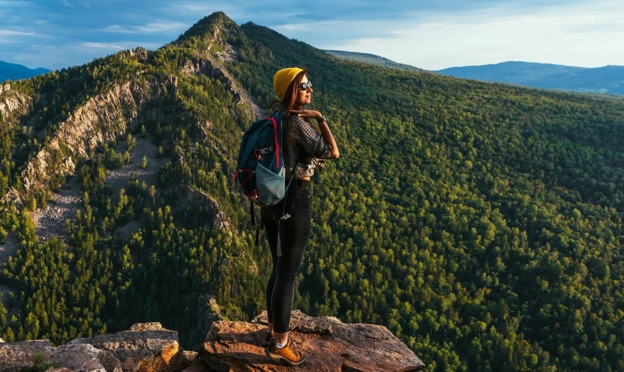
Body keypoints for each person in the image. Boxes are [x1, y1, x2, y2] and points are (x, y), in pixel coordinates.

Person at [262, 67, 339, 366]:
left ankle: (272, 331)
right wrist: (320, 119)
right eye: (305, 85)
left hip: (271, 202)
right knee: (287, 274)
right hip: (295, 201)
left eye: (310, 83)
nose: (310, 89)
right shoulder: (297, 123)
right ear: (291, 90)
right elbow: (332, 152)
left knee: (277, 268)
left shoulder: (274, 120)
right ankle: (280, 344)